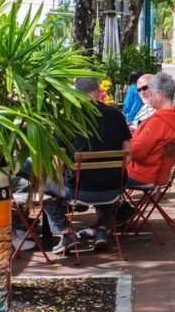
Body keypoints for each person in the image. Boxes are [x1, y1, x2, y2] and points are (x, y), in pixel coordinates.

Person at [46, 76, 132, 254]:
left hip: (79, 190)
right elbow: (128, 156)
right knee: (104, 178)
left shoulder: (68, 120)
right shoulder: (117, 115)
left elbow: (58, 162)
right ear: (99, 91)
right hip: (115, 189)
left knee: (43, 186)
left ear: (74, 94)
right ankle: (102, 230)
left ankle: (65, 232)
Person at [128, 71, 175, 186]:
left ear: (159, 94)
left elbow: (136, 152)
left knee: (100, 172)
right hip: (159, 173)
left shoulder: (159, 121)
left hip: (142, 174)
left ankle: (114, 203)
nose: (149, 98)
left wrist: (126, 139)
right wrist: (138, 133)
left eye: (151, 94)